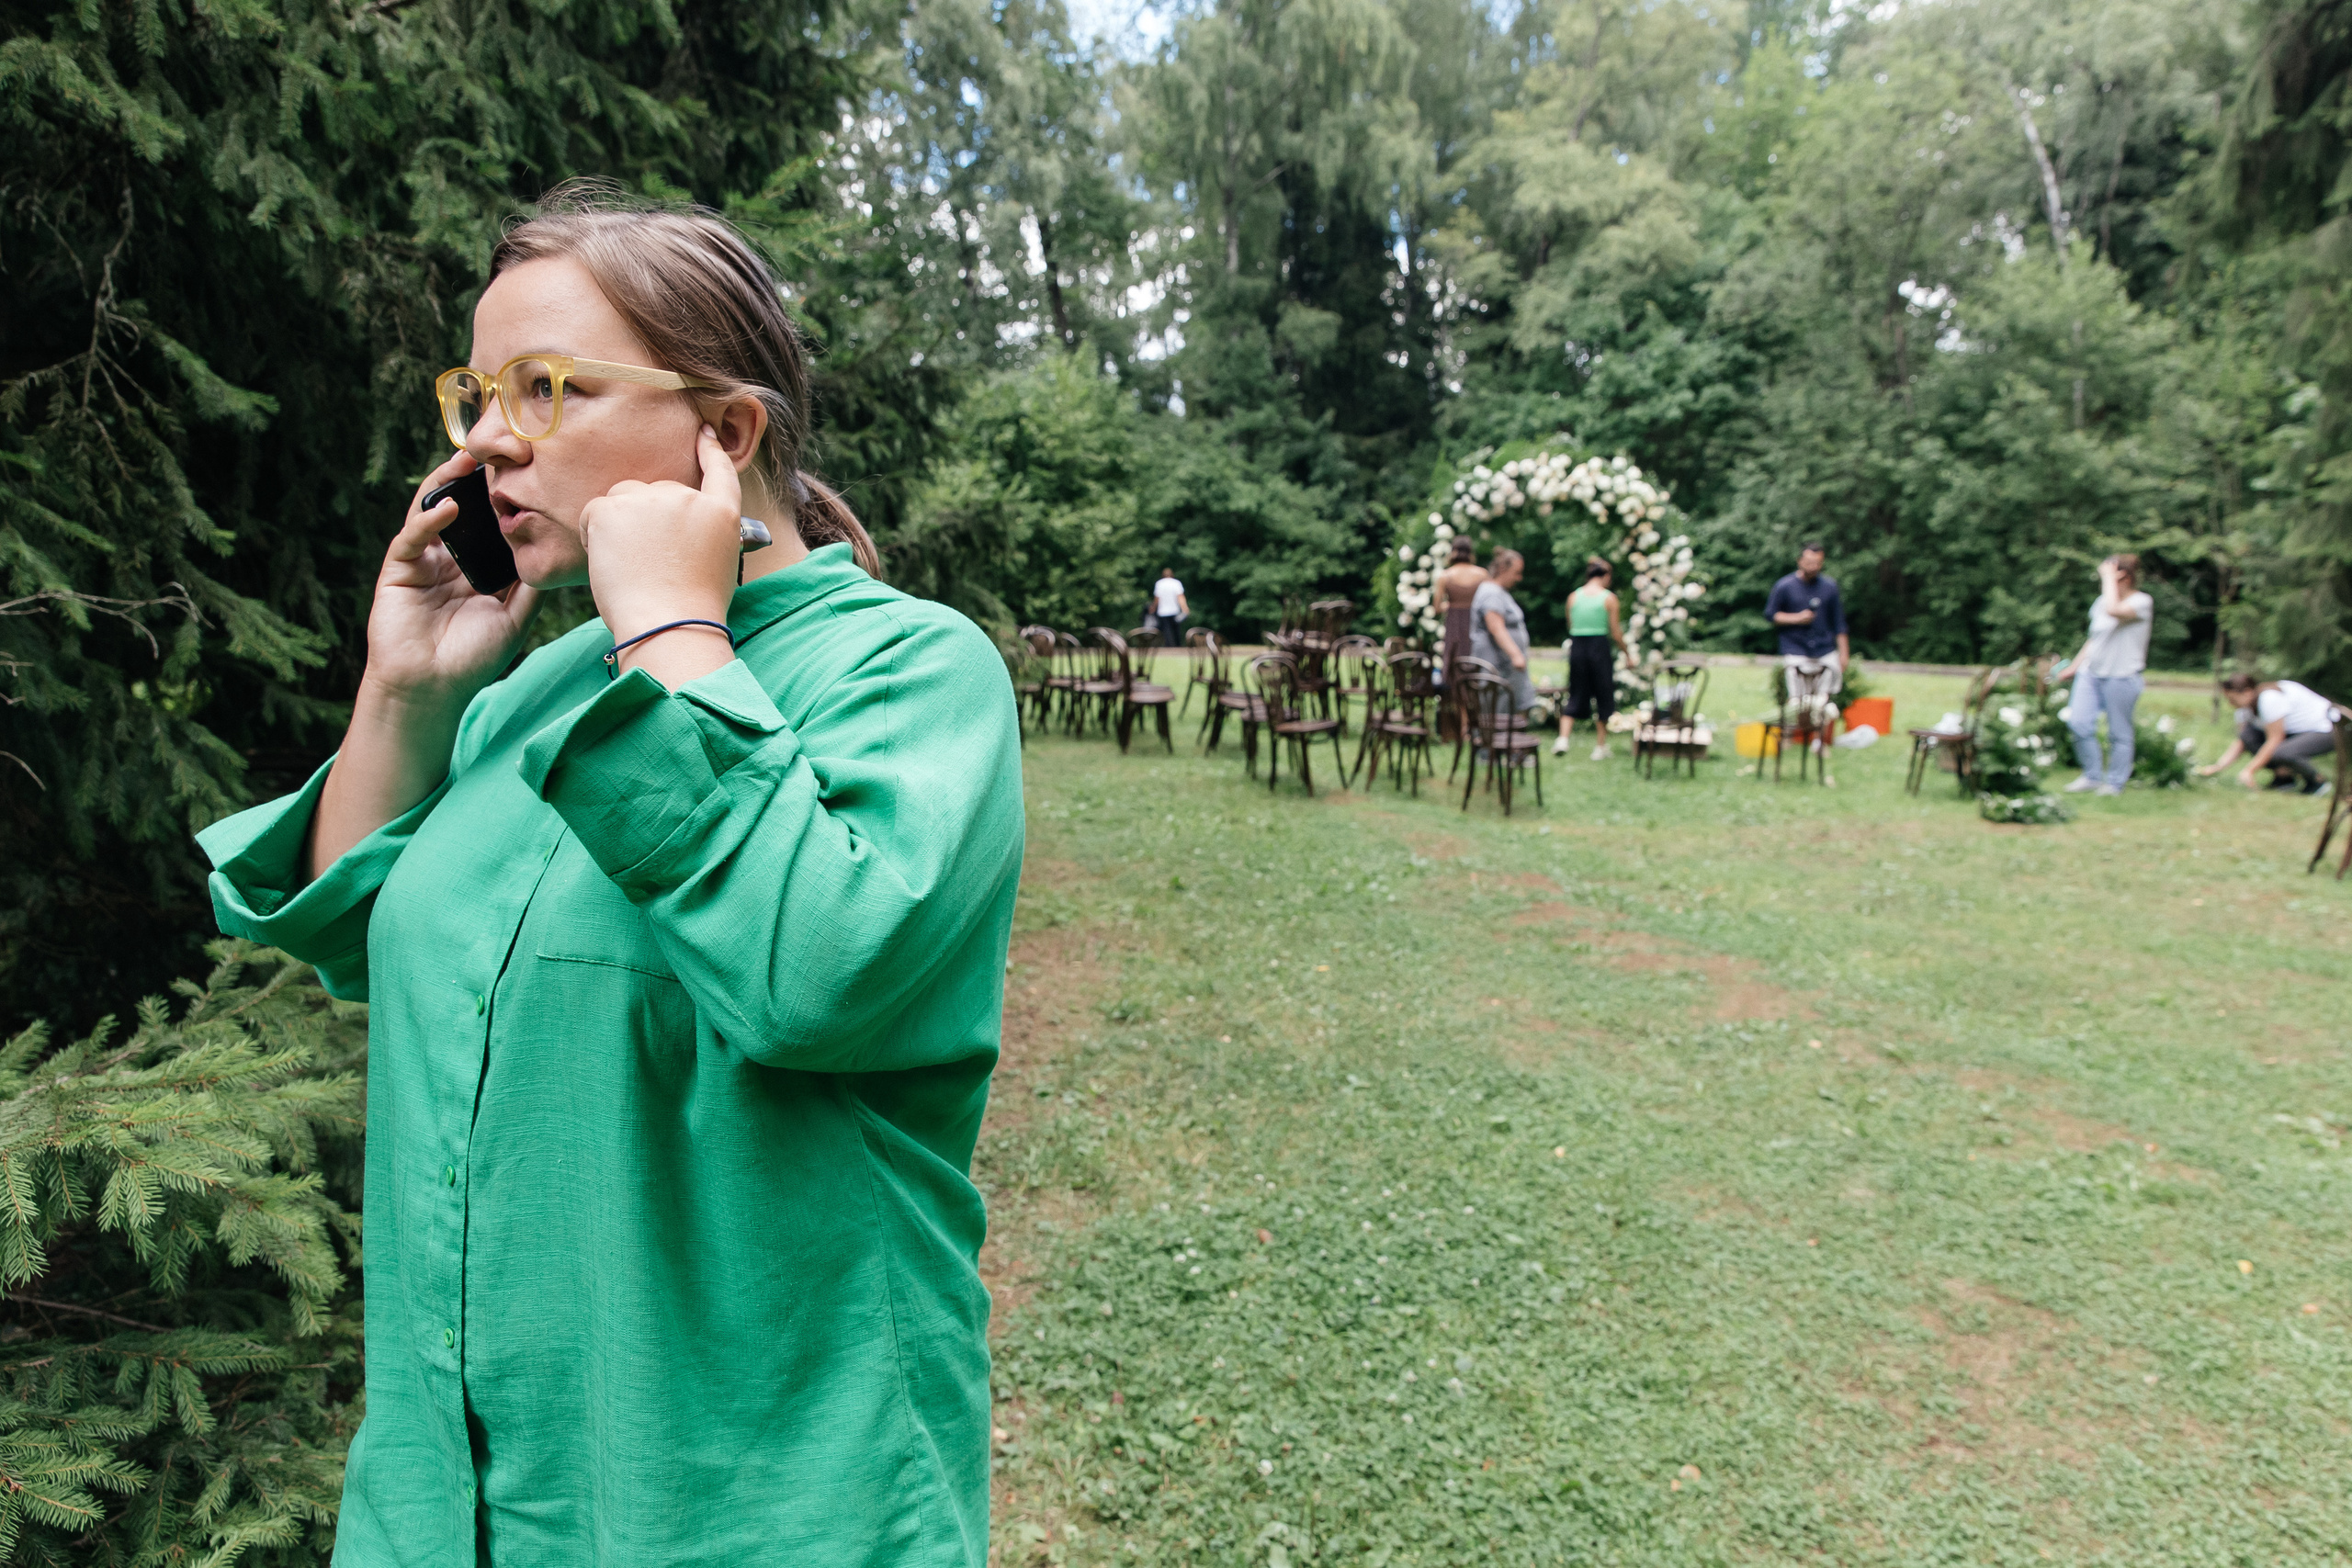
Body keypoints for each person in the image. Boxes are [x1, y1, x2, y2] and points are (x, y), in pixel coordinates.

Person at [194, 184, 1024, 1565]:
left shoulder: (913, 670)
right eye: (475, 393)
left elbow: (815, 975)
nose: (483, 446)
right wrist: (403, 691)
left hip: (752, 1507)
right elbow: (380, 949)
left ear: (725, 431)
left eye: (544, 390)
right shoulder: (535, 692)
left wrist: (676, 624)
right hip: (446, 1499)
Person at [2054, 554, 2153, 795]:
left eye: (2110, 577)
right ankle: (2092, 776)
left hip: (2122, 676)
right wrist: (2075, 667)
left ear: (2125, 577)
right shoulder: (2100, 602)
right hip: (2091, 674)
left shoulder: (2142, 602)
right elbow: (2094, 639)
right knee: (2078, 723)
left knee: (2118, 733)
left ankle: (2115, 783)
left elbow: (2114, 610)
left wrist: (2108, 579)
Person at [2199, 673, 2340, 795]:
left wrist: (2249, 770)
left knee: (2283, 752)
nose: (2231, 704)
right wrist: (2218, 767)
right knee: (2250, 736)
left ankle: (2317, 782)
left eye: (2233, 699)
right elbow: (2242, 741)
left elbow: (2275, 739)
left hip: (2331, 729)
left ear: (2247, 692)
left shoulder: (2269, 699)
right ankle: (2284, 779)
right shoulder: (2244, 710)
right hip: (2299, 732)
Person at [1555, 557, 1629, 760]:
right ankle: (1600, 746)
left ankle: (1563, 739)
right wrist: (1627, 654)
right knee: (1603, 693)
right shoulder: (1609, 598)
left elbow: (1570, 625)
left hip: (1577, 647)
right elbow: (1615, 632)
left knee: (1576, 691)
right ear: (1605, 576)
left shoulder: (1573, 597)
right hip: (1599, 647)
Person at [1469, 549, 1537, 715]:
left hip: (1503, 666)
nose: (1519, 578)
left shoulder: (1497, 592)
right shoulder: (1491, 593)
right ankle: (1493, 740)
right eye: (1516, 573)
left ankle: (1503, 738)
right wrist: (1516, 655)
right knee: (1495, 709)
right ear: (1502, 569)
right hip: (1497, 665)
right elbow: (1495, 626)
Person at [1765, 541, 1849, 672]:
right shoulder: (1784, 586)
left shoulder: (1830, 587)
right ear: (1800, 561)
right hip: (1795, 649)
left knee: (1824, 692)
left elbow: (1839, 623)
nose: (1814, 566)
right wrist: (1797, 618)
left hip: (1825, 649)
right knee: (1797, 692)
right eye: (1810, 562)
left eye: (1818, 563)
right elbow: (1770, 615)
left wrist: (1844, 654)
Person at [1431, 536, 1488, 689]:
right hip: (1475, 622)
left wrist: (1451, 605)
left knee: (1454, 658)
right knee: (1475, 656)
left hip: (1454, 623)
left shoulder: (1445, 576)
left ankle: (1455, 703)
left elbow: (1436, 607)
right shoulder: (1482, 574)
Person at [1148, 566, 1188, 647]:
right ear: (1172, 574)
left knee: (1166, 631)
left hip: (1163, 611)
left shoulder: (1159, 584)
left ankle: (1168, 647)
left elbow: (1157, 598)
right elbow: (1180, 597)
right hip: (1174, 610)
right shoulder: (1176, 583)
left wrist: (1153, 607)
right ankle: (1178, 646)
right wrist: (1185, 608)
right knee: (1176, 630)